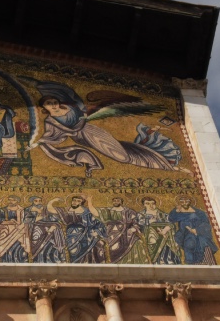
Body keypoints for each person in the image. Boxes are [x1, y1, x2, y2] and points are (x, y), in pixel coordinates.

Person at [34, 96, 173, 177]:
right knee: (120, 155)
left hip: (92, 132)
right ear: (44, 107)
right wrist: (41, 141)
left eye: (53, 101)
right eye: (48, 104)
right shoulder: (50, 121)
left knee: (121, 156)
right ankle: (153, 161)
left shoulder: (71, 108)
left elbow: (85, 113)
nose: (53, 104)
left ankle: (154, 161)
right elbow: (52, 135)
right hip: (81, 138)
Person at [49, 194, 107, 263]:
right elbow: (51, 210)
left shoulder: (85, 211)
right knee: (65, 249)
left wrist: (89, 202)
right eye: (74, 200)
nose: (75, 202)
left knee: (86, 248)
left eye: (78, 201)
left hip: (84, 233)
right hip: (69, 233)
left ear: (81, 203)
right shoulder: (66, 210)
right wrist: (52, 201)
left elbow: (96, 215)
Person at [168, 196, 218, 265]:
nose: (184, 203)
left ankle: (204, 264)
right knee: (189, 244)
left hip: (199, 234)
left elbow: (206, 224)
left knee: (203, 244)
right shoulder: (178, 212)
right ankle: (190, 264)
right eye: (182, 201)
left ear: (190, 202)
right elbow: (171, 219)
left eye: (187, 201)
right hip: (185, 234)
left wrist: (197, 230)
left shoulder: (199, 212)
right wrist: (175, 210)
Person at [99, 197, 150, 264]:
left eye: (118, 200)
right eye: (114, 200)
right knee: (105, 244)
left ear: (121, 202)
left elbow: (135, 222)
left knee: (137, 242)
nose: (116, 202)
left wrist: (134, 228)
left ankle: (130, 262)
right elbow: (99, 217)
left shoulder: (129, 211)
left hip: (126, 231)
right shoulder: (108, 211)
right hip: (111, 231)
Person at [138, 197, 182, 265]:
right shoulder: (141, 214)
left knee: (169, 237)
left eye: (153, 203)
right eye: (147, 203)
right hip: (149, 234)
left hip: (165, 234)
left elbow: (171, 223)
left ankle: (167, 260)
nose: (151, 205)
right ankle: (153, 260)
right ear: (143, 205)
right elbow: (140, 223)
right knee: (151, 235)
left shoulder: (162, 214)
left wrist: (165, 229)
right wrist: (150, 222)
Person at [24, 196, 66, 263]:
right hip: (36, 229)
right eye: (36, 201)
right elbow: (25, 220)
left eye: (40, 200)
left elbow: (55, 217)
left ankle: (53, 261)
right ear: (32, 202)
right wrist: (37, 218)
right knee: (36, 245)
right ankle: (37, 261)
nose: (38, 202)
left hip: (48, 229)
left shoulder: (45, 209)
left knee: (51, 246)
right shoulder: (28, 209)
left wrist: (54, 225)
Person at [0, 195, 30, 262]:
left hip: (19, 233)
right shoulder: (4, 210)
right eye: (9, 200)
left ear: (17, 201)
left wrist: (20, 224)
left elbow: (27, 221)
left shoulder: (22, 210)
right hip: (7, 232)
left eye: (13, 200)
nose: (11, 201)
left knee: (19, 248)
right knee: (7, 249)